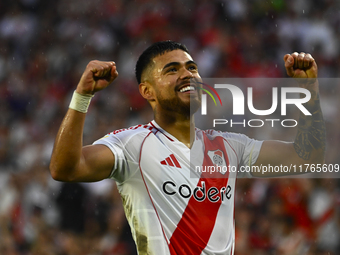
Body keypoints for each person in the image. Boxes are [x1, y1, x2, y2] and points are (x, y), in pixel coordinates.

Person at [49, 41, 326, 255]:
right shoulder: (131, 144)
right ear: (147, 91)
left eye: (192, 67)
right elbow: (65, 168)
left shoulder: (230, 146)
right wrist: (82, 97)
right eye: (172, 70)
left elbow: (306, 157)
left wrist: (308, 89)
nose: (187, 74)